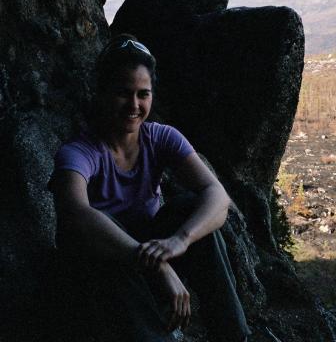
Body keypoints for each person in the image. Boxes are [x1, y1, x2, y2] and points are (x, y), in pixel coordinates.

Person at [49, 34, 250, 342]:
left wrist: (180, 241)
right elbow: (76, 213)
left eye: (143, 94)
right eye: (123, 93)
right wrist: (157, 266)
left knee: (189, 209)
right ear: (102, 93)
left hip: (147, 263)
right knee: (102, 227)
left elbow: (217, 196)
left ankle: (234, 336)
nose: (134, 104)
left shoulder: (161, 138)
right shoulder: (80, 152)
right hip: (102, 274)